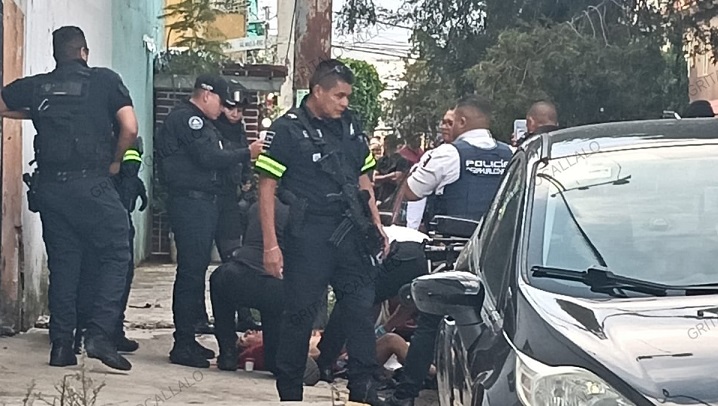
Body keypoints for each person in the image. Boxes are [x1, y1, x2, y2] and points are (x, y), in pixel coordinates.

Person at [0, 26, 138, 370]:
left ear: (56, 55)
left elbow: (3, 106)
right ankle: (100, 334)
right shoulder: (105, 81)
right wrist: (116, 161)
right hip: (92, 184)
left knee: (64, 264)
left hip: (51, 190)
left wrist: (35, 112)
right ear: (84, 53)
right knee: (117, 252)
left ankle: (62, 347)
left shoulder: (37, 86)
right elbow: (130, 127)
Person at [255, 59, 389, 404]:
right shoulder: (287, 130)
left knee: (359, 309)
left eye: (347, 96)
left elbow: (364, 178)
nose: (345, 102)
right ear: (318, 91)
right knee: (300, 315)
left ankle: (362, 385)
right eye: (339, 96)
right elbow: (266, 187)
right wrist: (271, 246)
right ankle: (290, 390)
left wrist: (376, 224)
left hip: (352, 232)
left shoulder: (350, 126)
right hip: (309, 234)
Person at [385, 96, 512, 406]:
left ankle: (407, 394)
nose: (449, 126)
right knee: (493, 326)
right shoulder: (511, 155)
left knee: (430, 321)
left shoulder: (448, 154)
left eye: (452, 121)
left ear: (463, 122)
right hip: (496, 258)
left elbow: (412, 190)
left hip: (452, 255)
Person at [156, 74, 263, 368]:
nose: (223, 108)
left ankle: (189, 339)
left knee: (197, 271)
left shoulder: (206, 123)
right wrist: (247, 152)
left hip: (205, 203)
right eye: (221, 101)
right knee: (190, 274)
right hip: (191, 203)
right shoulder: (187, 119)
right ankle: (182, 344)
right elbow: (208, 157)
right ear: (206, 95)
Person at [74, 136, 148, 354]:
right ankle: (96, 331)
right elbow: (129, 173)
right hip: (110, 217)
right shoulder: (123, 139)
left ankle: (97, 331)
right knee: (110, 275)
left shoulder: (98, 134)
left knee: (93, 275)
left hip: (95, 213)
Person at [210, 198, 289, 373]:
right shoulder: (299, 211)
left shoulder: (256, 206)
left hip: (238, 274)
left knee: (218, 280)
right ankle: (273, 359)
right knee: (275, 308)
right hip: (274, 282)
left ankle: (228, 352)